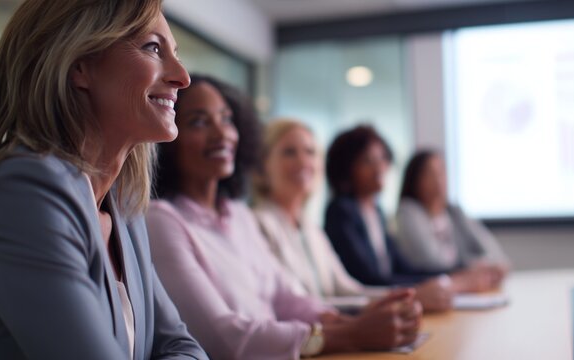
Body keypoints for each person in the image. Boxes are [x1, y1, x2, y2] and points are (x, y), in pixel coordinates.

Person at [147, 75, 423, 360]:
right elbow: (225, 339)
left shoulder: (239, 215)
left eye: (227, 119)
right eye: (199, 122)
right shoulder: (161, 221)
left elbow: (286, 297)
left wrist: (348, 324)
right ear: (166, 138)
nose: (222, 134)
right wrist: (352, 334)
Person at [0, 1, 207, 359]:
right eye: (153, 48)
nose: (182, 76)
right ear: (79, 65)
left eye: (175, 52)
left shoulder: (124, 206)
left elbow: (179, 345)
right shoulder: (25, 191)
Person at [324, 125, 497, 294]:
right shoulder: (341, 212)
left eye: (382, 158)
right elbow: (370, 279)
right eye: (367, 161)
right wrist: (449, 281)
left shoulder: (376, 211)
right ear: (346, 169)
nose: (379, 168)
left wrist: (454, 276)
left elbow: (402, 268)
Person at [251, 119, 387, 308]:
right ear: (263, 164)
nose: (303, 162)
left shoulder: (310, 227)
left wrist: (404, 297)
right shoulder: (257, 224)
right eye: (289, 152)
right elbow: (298, 305)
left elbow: (349, 289)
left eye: (310, 152)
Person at [395, 149, 509, 277]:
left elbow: (494, 252)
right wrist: (471, 267)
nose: (437, 180)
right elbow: (432, 262)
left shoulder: (454, 212)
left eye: (441, 173)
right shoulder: (409, 212)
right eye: (429, 174)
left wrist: (489, 265)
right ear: (415, 180)